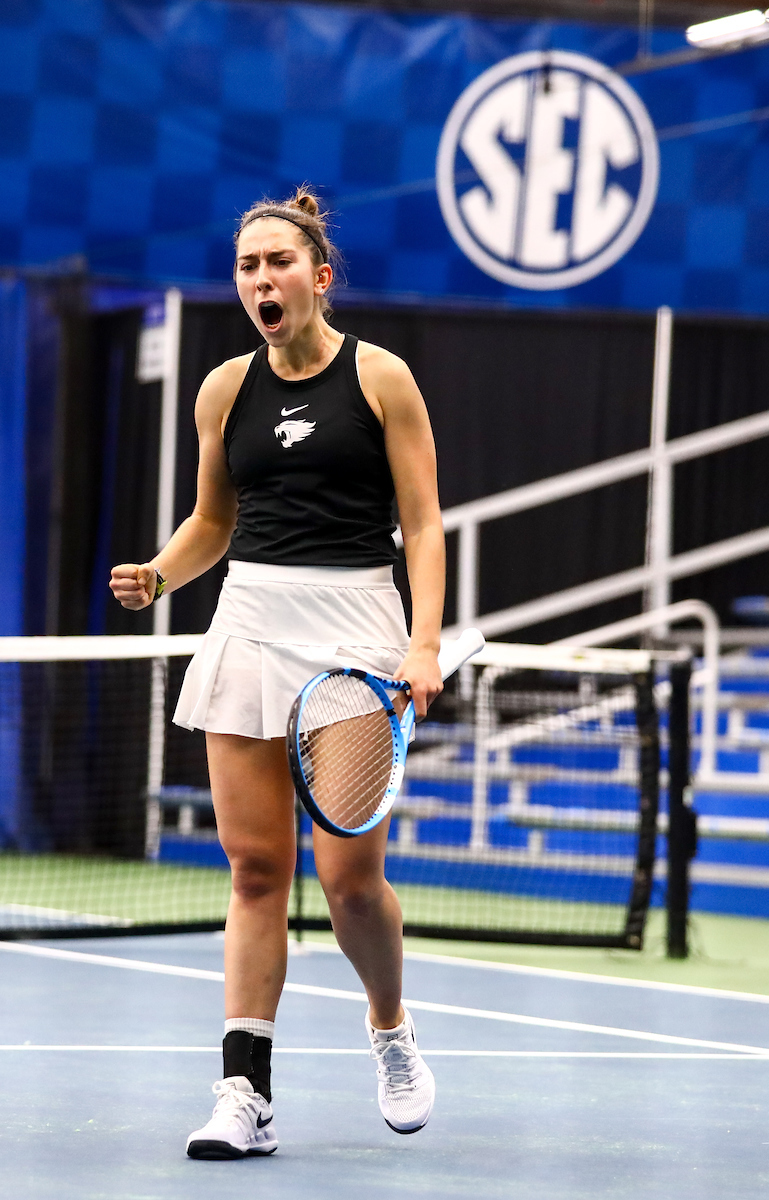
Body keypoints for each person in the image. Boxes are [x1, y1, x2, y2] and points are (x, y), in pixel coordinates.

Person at [109, 186, 445, 1159]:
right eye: (249, 265)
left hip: (355, 629)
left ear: (319, 277)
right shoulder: (223, 390)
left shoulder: (381, 380)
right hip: (251, 623)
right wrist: (162, 572)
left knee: (347, 879)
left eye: (280, 262)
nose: (264, 278)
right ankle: (243, 1095)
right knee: (256, 870)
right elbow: (215, 521)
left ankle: (389, 1029)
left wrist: (423, 642)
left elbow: (421, 524)